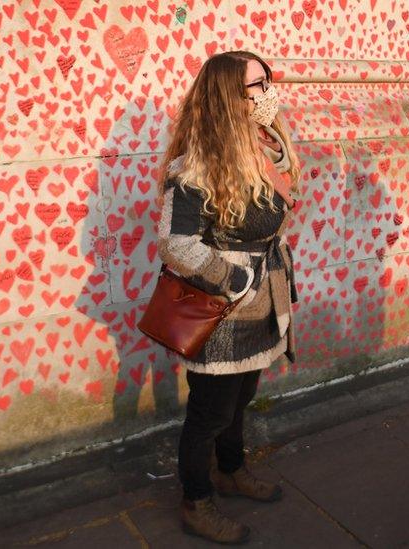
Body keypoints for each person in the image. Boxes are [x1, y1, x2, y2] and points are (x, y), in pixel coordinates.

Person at [156, 50, 300, 544]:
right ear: (225, 99)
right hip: (223, 309)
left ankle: (230, 470)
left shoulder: (265, 146)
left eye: (266, 81)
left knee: (242, 400)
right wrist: (232, 280)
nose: (266, 94)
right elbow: (177, 245)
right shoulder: (195, 167)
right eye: (254, 87)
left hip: (264, 300)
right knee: (210, 414)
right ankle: (196, 501)